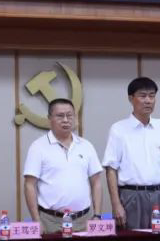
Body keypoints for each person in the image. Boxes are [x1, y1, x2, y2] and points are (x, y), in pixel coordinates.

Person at [103, 77, 160, 230]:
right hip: (132, 196)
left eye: (152, 96)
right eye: (143, 96)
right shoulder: (119, 129)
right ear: (131, 98)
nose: (148, 101)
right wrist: (116, 204)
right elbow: (111, 169)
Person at [23, 98, 103, 233]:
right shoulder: (38, 147)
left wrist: (97, 215)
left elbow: (96, 182)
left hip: (84, 220)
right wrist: (36, 220)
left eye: (69, 115)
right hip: (51, 221)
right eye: (60, 116)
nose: (66, 120)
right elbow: (29, 185)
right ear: (49, 118)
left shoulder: (86, 146)